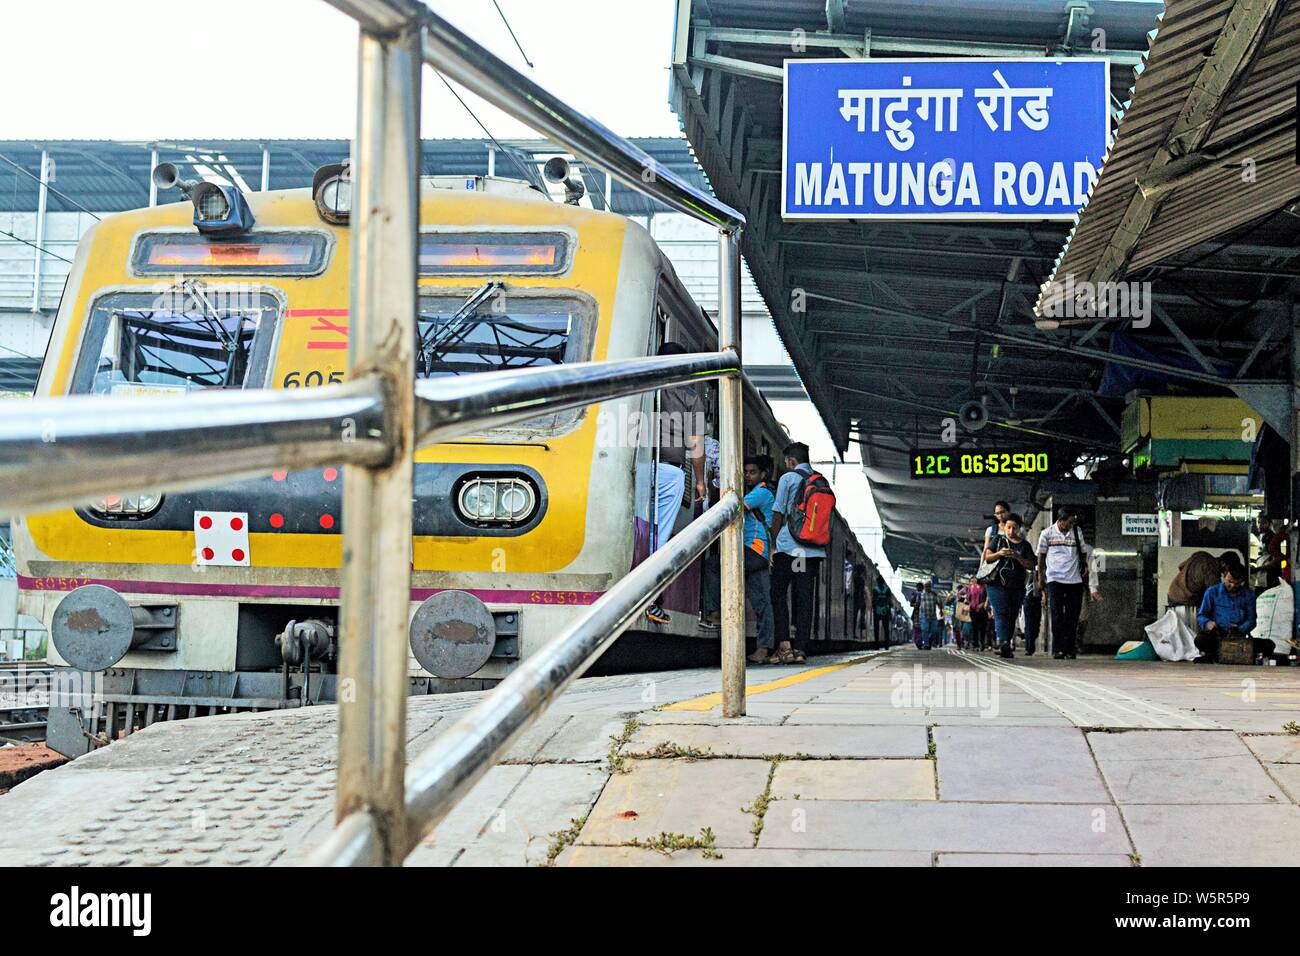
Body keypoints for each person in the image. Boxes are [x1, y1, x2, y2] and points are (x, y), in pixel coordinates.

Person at [646, 341, 707, 625]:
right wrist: (700, 481)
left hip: (637, 467)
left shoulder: (643, 386)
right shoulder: (690, 396)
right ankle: (650, 600)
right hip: (670, 471)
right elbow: (695, 443)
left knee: (640, 532)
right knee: (659, 538)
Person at [768, 442, 824, 665]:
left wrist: (773, 543)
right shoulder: (820, 481)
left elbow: (778, 512)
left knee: (778, 593)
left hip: (789, 548)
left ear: (791, 461)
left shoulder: (788, 478)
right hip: (809, 552)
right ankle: (801, 649)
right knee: (804, 598)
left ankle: (784, 646)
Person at [1036, 506, 1102, 659]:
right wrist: (1041, 578)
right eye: (1069, 522)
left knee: (1073, 617)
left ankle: (1070, 648)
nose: (1072, 525)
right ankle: (1059, 649)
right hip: (1054, 580)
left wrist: (1084, 565)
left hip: (1075, 581)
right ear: (1061, 520)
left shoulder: (1076, 532)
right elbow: (1041, 557)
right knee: (1057, 616)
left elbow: (1084, 551)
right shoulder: (1047, 534)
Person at [1195, 556, 1272, 663]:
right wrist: (1208, 623)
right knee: (1200, 640)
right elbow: (1201, 615)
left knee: (1268, 644)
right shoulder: (1212, 592)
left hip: (1239, 638)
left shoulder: (1249, 594)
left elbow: (1252, 620)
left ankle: (1222, 656)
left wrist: (1240, 629)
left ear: (1242, 581)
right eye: (1229, 582)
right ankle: (1216, 654)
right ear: (1224, 576)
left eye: (1237, 583)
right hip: (1218, 636)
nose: (1232, 586)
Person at [982, 512, 1037, 658]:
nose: (1011, 531)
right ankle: (1004, 642)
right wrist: (1000, 553)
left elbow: (1031, 565)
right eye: (1008, 527)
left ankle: (1006, 642)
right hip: (996, 584)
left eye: (1014, 528)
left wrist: (1017, 556)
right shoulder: (998, 540)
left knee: (1012, 615)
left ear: (1019, 529)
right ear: (1004, 527)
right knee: (1001, 613)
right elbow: (987, 557)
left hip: (1017, 586)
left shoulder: (1025, 546)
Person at [1021, 564, 1043, 656]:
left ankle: (1031, 644)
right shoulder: (1024, 573)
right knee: (1029, 623)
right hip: (1027, 599)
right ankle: (1029, 648)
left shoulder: (1039, 573)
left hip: (1037, 598)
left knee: (1036, 624)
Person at [916, 581, 940, 649]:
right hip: (924, 616)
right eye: (926, 586)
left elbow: (939, 602)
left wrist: (941, 610)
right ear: (924, 587)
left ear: (931, 587)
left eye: (929, 586)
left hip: (933, 616)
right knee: (924, 629)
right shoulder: (920, 594)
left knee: (934, 631)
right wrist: (916, 615)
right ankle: (926, 644)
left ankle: (929, 640)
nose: (927, 588)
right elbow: (917, 604)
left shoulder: (934, 594)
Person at [871, 575, 892, 645]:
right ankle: (886, 644)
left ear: (877, 582)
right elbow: (890, 601)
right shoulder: (887, 590)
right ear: (883, 582)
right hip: (885, 610)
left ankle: (876, 644)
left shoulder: (875, 590)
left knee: (876, 628)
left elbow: (873, 601)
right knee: (886, 628)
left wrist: (873, 608)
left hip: (877, 610)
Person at [851, 562, 868, 639]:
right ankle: (861, 628)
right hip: (859, 599)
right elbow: (861, 591)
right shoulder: (861, 579)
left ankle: (854, 632)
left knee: (854, 617)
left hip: (854, 598)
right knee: (860, 615)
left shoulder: (853, 577)